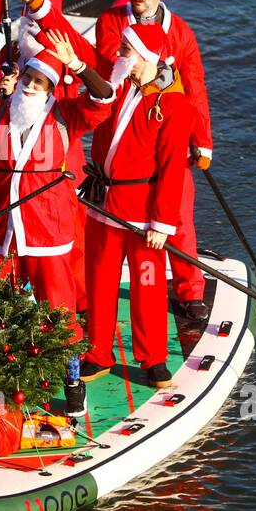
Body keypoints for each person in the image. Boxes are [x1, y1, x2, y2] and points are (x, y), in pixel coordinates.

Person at [0, 0, 113, 343]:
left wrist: (77, 65)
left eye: (40, 82)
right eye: (29, 79)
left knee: (58, 306)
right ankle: (2, 365)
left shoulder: (64, 112)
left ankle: (72, 378)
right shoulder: (3, 104)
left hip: (47, 219)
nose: (31, 86)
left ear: (52, 86)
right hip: (3, 221)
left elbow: (103, 99)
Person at [92, 0, 214, 319]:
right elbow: (119, 66)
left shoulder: (180, 31)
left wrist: (202, 141)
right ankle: (93, 291)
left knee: (179, 213)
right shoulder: (112, 21)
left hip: (169, 129)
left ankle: (189, 290)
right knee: (107, 219)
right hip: (125, 129)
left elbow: (193, 86)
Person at [80, 21, 194, 389]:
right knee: (99, 282)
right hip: (103, 204)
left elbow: (172, 168)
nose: (119, 55)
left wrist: (162, 224)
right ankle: (97, 353)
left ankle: (153, 360)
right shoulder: (113, 89)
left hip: (142, 216)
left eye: (126, 51)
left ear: (145, 56)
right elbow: (81, 62)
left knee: (147, 286)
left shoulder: (174, 105)